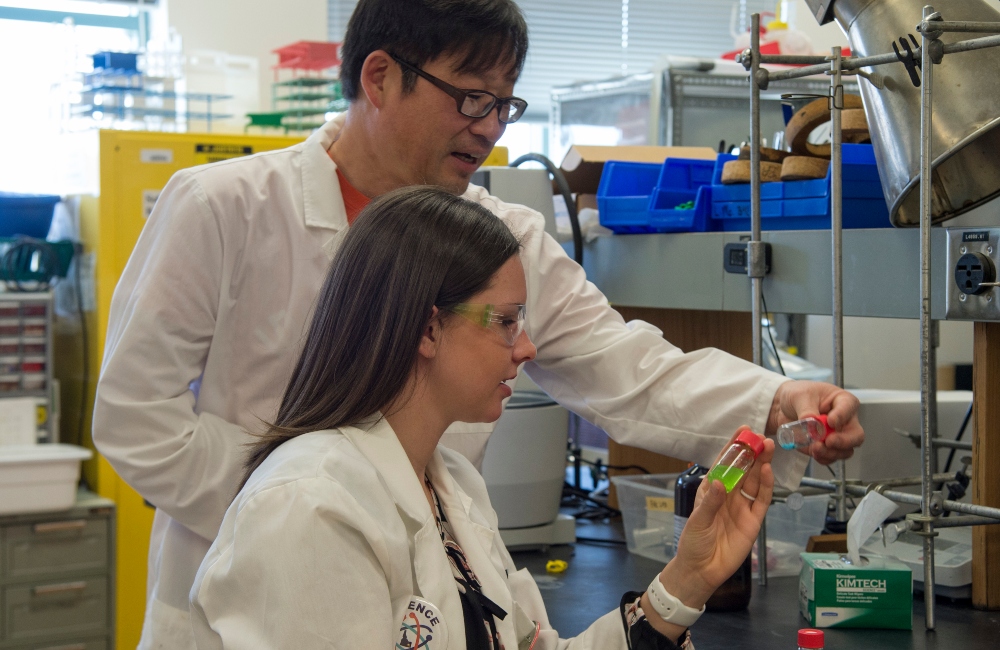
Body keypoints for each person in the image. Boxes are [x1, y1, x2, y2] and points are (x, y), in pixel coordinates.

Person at [93, 0, 864, 646]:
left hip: (438, 581)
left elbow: (624, 367)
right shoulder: (224, 207)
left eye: (506, 102)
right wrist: (307, 514)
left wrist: (775, 405)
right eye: (471, 97)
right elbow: (135, 418)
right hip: (245, 600)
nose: (490, 126)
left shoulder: (504, 239)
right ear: (380, 76)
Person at [189, 186, 777, 650]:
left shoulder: (451, 485)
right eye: (505, 321)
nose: (526, 349)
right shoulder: (309, 506)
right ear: (426, 327)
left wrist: (686, 580)